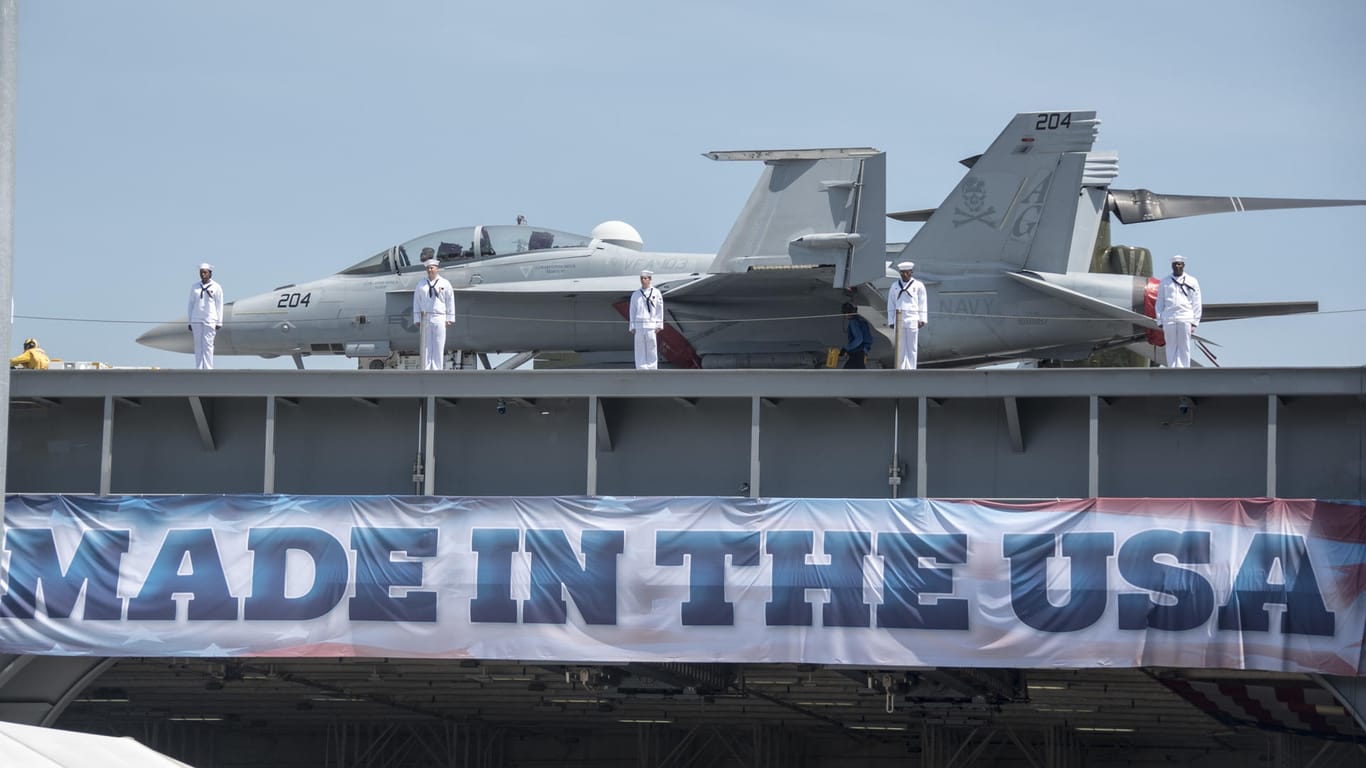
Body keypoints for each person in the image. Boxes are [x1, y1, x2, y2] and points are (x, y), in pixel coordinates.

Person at [1154, 254, 1202, 368]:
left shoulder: (1192, 281)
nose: (1177, 266)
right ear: (1172, 266)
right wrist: (1160, 320)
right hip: (1169, 317)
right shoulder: (1165, 282)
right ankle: (1172, 367)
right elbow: (1160, 302)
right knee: (1171, 345)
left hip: (1185, 316)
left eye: (1179, 264)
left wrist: (1195, 322)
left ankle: (1184, 368)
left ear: (1183, 265)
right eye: (1175, 264)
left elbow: (1197, 302)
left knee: (1184, 345)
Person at [412, 258, 456, 370]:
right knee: (426, 345)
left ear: (437, 269)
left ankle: (437, 369)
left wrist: (450, 317)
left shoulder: (445, 283)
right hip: (425, 317)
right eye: (428, 268)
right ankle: (425, 368)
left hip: (439, 316)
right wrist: (417, 318)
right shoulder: (421, 284)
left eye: (432, 267)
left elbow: (450, 301)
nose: (430, 270)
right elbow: (417, 301)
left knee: (438, 344)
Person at [885, 260, 927, 369]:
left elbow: (922, 303)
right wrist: (891, 321)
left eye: (907, 272)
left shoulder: (918, 285)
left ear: (911, 272)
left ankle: (911, 368)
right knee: (900, 347)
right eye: (902, 272)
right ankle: (901, 368)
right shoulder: (894, 286)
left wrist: (922, 319)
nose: (904, 274)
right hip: (899, 320)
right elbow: (891, 304)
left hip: (913, 319)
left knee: (912, 347)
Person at [187, 263, 224, 369]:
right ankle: (198, 368)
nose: (202, 274)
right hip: (196, 318)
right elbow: (190, 304)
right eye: (201, 272)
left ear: (210, 273)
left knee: (208, 344)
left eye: (205, 272)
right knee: (198, 344)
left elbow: (219, 304)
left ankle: (208, 368)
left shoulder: (216, 287)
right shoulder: (195, 287)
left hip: (210, 318)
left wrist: (219, 321)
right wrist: (190, 321)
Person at [629, 269, 663, 369]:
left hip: (651, 323)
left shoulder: (656, 292)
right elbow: (632, 311)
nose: (643, 280)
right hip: (639, 324)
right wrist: (632, 326)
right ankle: (641, 366)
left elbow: (659, 310)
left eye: (645, 278)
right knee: (639, 347)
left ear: (650, 279)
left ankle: (652, 367)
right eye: (642, 278)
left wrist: (659, 325)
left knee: (651, 346)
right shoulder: (636, 294)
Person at [841, 303, 872, 369]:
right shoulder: (860, 320)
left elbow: (859, 339)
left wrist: (846, 348)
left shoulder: (853, 322)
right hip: (862, 351)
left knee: (846, 373)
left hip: (857, 352)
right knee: (860, 372)